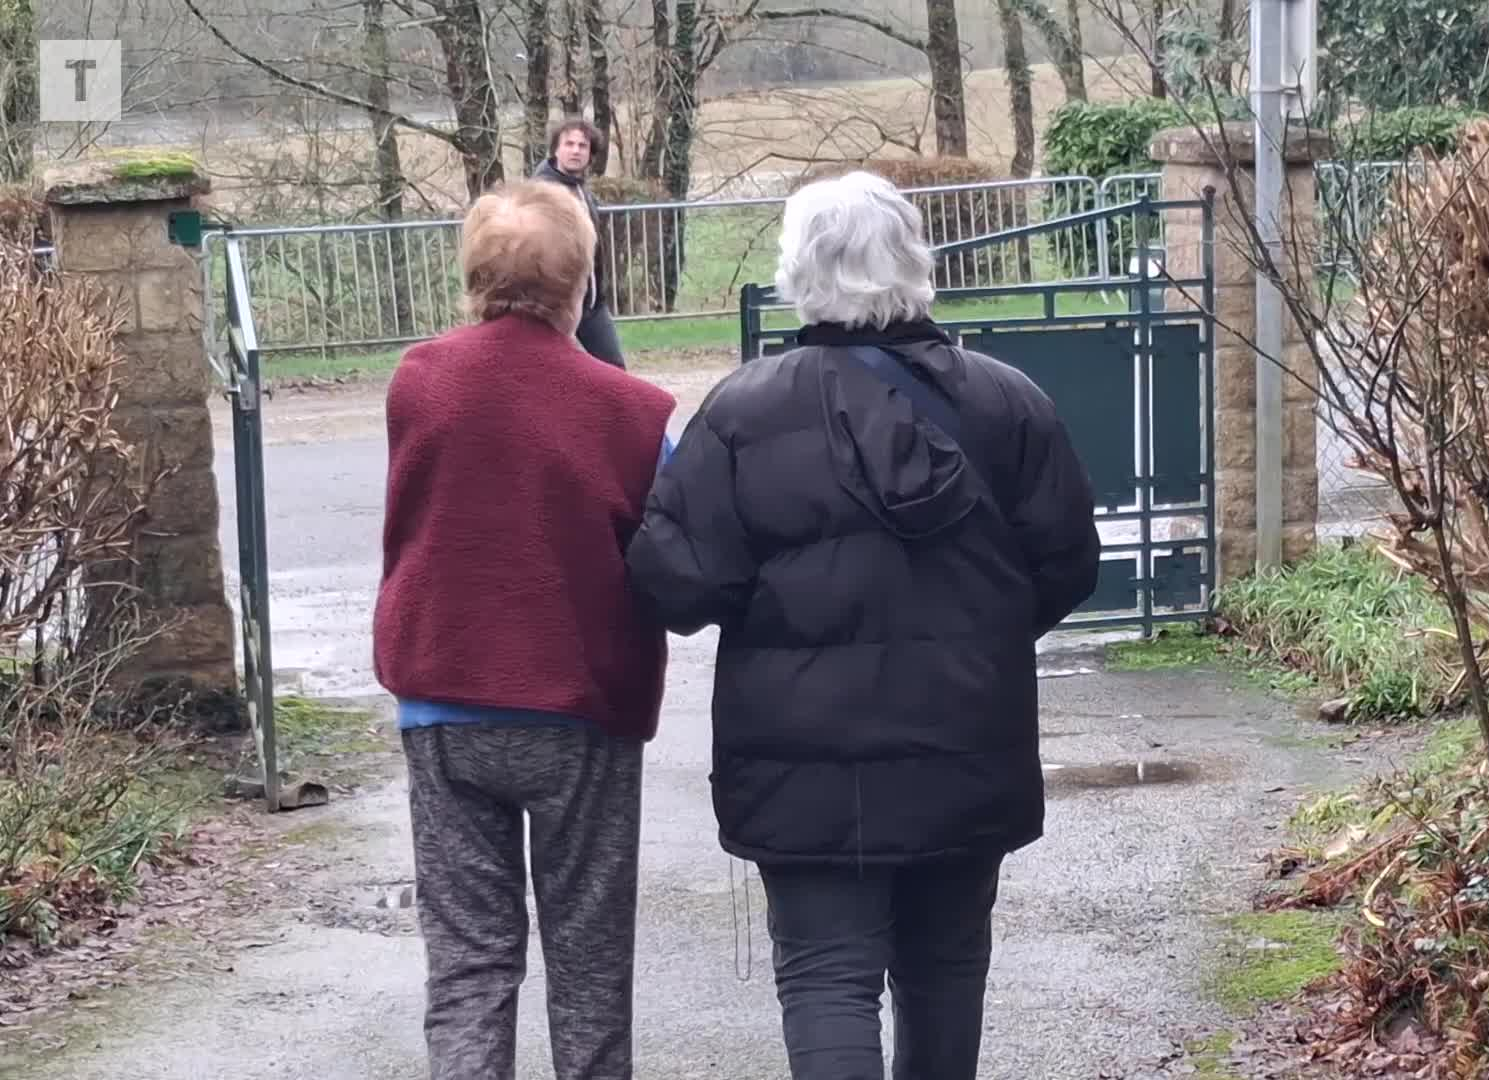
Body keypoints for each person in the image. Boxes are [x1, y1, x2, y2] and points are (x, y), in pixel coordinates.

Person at [624, 170, 1104, 1080]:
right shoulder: (1008, 404)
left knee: (826, 977)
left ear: (798, 272)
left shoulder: (742, 413)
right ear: (914, 262)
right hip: (967, 742)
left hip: (800, 764)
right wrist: (983, 635)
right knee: (946, 968)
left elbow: (676, 585)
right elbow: (1068, 563)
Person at [371, 178, 677, 1080]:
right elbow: (671, 549)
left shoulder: (418, 381)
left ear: (471, 276)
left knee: (468, 960)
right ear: (580, 284)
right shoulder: (634, 410)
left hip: (444, 696)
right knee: (587, 964)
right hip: (579, 703)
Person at [533, 117, 625, 368]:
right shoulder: (542, 193)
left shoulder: (581, 190)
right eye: (569, 144)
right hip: (555, 307)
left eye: (582, 145)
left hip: (592, 304)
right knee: (558, 377)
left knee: (614, 371)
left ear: (591, 154)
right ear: (556, 149)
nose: (575, 150)